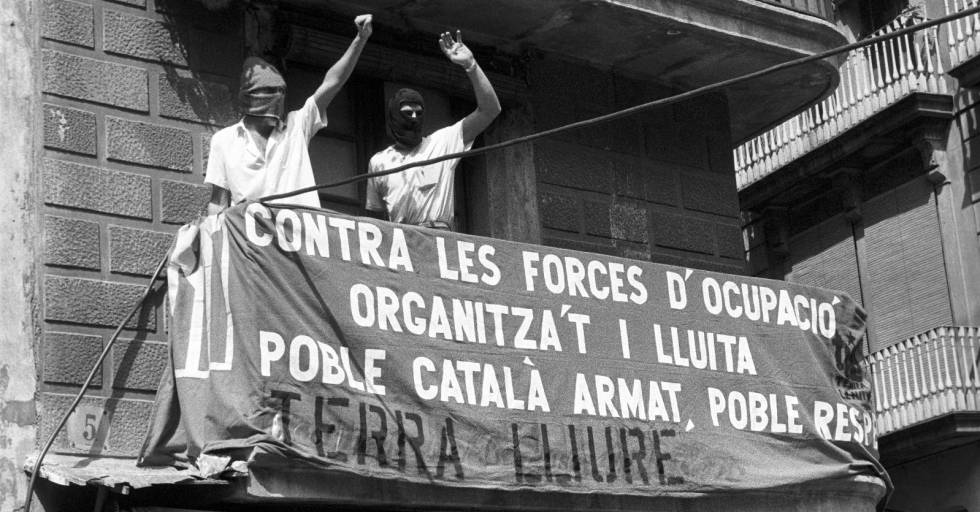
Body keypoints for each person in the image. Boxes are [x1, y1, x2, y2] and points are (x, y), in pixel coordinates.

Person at [206, 15, 374, 214]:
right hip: (250, 240)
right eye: (268, 95)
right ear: (251, 101)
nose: (277, 105)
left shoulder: (297, 126)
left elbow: (332, 83)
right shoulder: (224, 141)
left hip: (299, 238)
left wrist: (360, 39)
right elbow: (218, 202)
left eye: (281, 94)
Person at [365, 30, 501, 230]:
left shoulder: (443, 142)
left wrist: (471, 65)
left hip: (440, 239)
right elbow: (373, 220)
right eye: (407, 112)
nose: (413, 118)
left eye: (418, 113)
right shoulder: (378, 162)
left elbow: (490, 110)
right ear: (394, 116)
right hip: (404, 245)